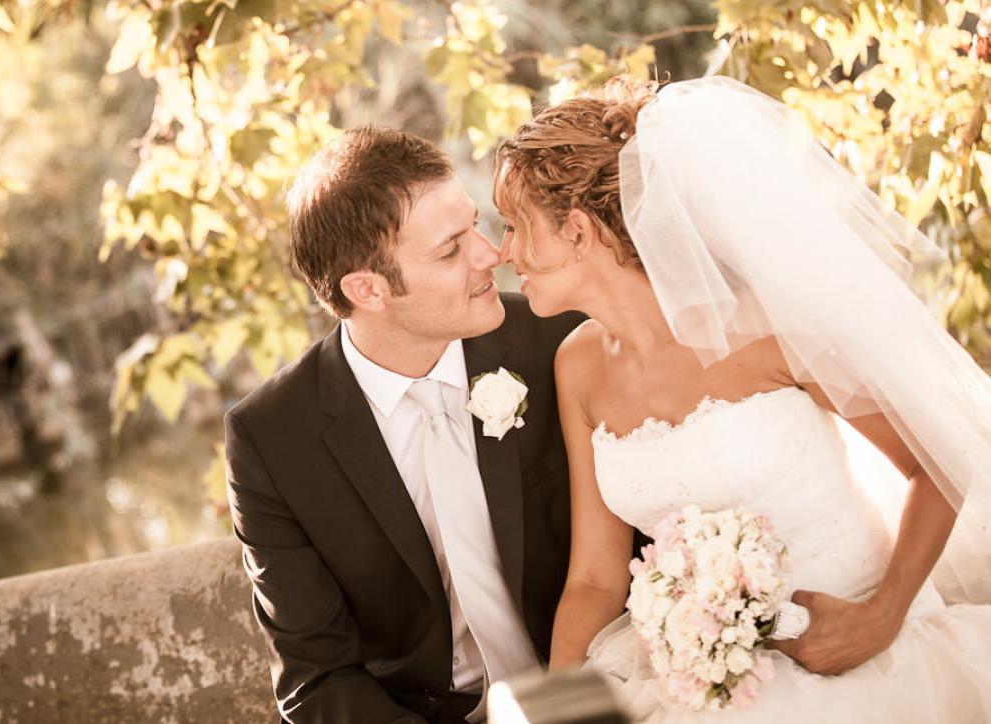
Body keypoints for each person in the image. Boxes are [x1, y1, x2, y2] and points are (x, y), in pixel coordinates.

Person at [492, 75, 991, 721]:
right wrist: (560, 709)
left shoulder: (764, 327)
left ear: (581, 232)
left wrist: (882, 616)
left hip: (860, 649)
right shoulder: (578, 365)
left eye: (515, 226)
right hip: (696, 681)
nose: (504, 254)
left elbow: (938, 462)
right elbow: (595, 577)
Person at [224, 126, 582, 724]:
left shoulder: (557, 339)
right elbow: (318, 680)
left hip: (593, 682)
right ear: (368, 290)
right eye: (449, 250)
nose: (489, 253)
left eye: (475, 224)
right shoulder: (271, 440)